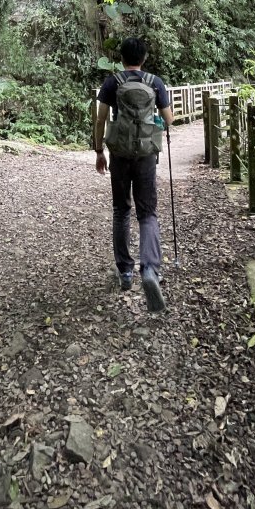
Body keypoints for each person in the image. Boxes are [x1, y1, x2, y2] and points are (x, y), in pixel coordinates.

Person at [95, 37, 173, 312]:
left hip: (119, 154)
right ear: (144, 57)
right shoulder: (155, 82)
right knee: (148, 212)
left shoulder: (112, 82)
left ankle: (125, 272)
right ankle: (150, 268)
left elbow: (101, 118)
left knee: (121, 209)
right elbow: (169, 117)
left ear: (122, 58)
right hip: (146, 154)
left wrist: (98, 151)